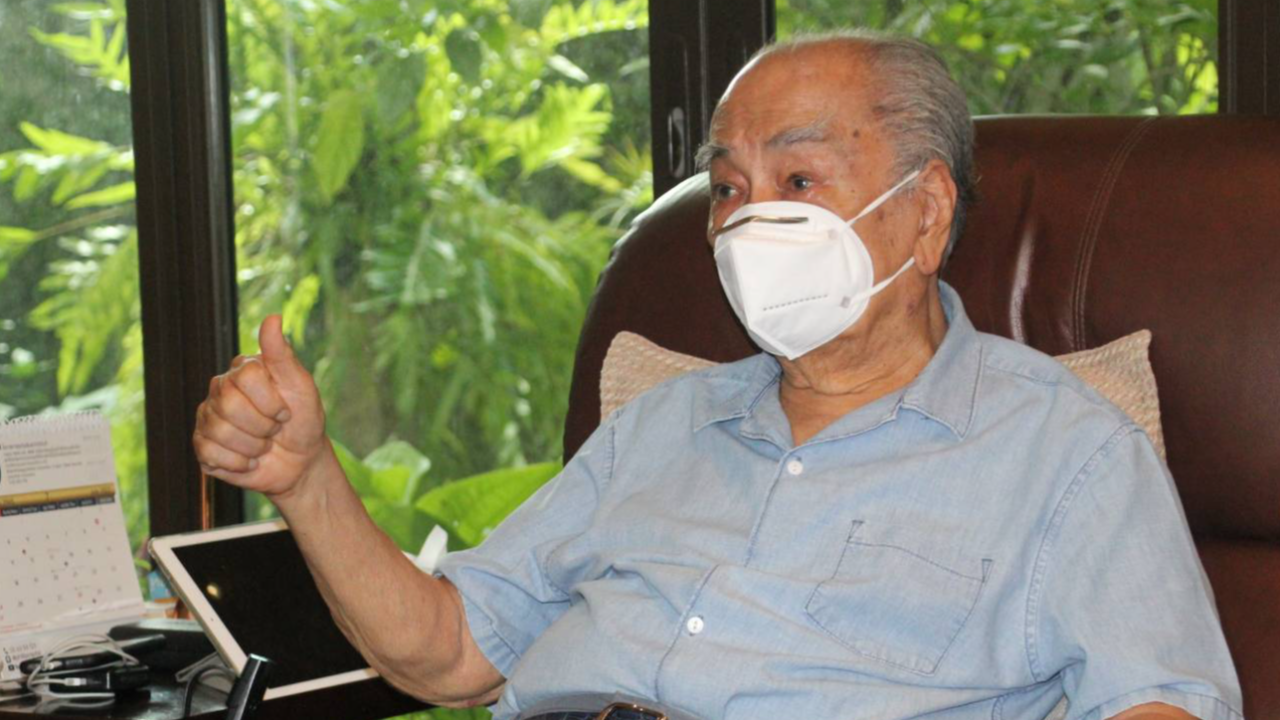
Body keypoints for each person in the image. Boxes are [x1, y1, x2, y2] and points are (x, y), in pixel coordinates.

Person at [193, 30, 1243, 720]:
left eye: (798, 178)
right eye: (729, 187)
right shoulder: (663, 424)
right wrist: (307, 480)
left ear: (924, 215)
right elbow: (446, 655)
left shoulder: (1064, 451)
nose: (748, 221)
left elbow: (1164, 701)